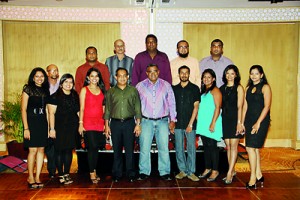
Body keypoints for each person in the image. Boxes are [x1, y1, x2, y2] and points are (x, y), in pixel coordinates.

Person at [136, 64, 176, 181]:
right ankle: (144, 171)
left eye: (155, 71)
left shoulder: (166, 85)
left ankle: (164, 172)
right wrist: (137, 123)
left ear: (158, 72)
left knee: (164, 147)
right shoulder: (140, 86)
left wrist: (173, 120)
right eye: (150, 72)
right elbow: (136, 105)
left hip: (163, 121)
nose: (153, 74)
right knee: (144, 147)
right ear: (146, 73)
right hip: (146, 121)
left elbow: (172, 103)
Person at [104, 68, 142, 183]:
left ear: (128, 77)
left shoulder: (133, 90)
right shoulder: (110, 91)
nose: (122, 78)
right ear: (115, 77)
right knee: (117, 150)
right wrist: (107, 126)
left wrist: (138, 124)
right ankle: (117, 173)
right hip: (115, 124)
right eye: (119, 76)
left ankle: (131, 173)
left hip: (129, 123)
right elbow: (107, 110)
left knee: (130, 149)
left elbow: (137, 108)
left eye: (124, 75)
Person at [199, 39, 233, 148]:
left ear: (222, 49)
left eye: (219, 46)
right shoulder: (203, 62)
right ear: (210, 48)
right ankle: (202, 139)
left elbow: (233, 78)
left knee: (220, 116)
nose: (216, 48)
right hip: (206, 95)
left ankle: (219, 139)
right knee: (205, 116)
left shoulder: (228, 62)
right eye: (214, 46)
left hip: (223, 95)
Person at [242, 65, 271, 189]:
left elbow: (267, 107)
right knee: (254, 149)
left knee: (250, 148)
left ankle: (253, 178)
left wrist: (258, 122)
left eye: (256, 73)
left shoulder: (265, 87)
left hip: (261, 121)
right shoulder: (248, 88)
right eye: (252, 73)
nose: (254, 76)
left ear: (261, 75)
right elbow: (245, 107)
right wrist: (241, 123)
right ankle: (259, 175)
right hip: (249, 121)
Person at [47, 74, 80, 185]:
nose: (68, 84)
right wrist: (52, 129)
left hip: (72, 127)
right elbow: (51, 113)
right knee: (59, 151)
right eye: (66, 82)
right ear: (61, 84)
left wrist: (81, 124)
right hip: (59, 127)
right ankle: (60, 173)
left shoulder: (75, 95)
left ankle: (66, 173)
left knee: (69, 150)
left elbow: (78, 111)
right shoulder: (54, 96)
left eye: (71, 82)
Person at [21, 67, 50, 189]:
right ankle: (30, 177)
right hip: (31, 122)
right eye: (37, 76)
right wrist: (26, 128)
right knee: (32, 150)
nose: (39, 78)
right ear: (33, 78)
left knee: (41, 151)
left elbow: (47, 110)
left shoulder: (45, 90)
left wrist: (49, 127)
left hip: (42, 122)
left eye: (42, 76)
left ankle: (38, 176)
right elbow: (23, 109)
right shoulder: (28, 89)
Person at [78, 67, 106, 184]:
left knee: (96, 148)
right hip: (88, 123)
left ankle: (94, 169)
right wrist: (80, 123)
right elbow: (82, 108)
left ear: (99, 78)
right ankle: (91, 172)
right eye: (92, 76)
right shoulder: (84, 90)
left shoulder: (102, 90)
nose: (94, 78)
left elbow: (104, 109)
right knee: (92, 147)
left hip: (99, 123)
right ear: (88, 78)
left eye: (96, 76)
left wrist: (105, 124)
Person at [172, 65, 200, 182]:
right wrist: (171, 122)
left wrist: (191, 124)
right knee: (179, 148)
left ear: (189, 74)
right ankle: (182, 170)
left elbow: (196, 107)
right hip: (178, 123)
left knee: (191, 148)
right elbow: (171, 107)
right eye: (182, 73)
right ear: (179, 74)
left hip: (190, 124)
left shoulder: (194, 88)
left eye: (186, 73)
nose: (184, 75)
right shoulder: (174, 89)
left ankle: (191, 171)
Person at [219, 65, 245, 184]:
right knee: (228, 146)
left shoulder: (239, 88)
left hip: (235, 119)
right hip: (225, 119)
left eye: (232, 73)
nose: (229, 76)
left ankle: (229, 172)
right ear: (225, 75)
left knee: (234, 145)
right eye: (227, 73)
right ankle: (232, 170)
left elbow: (240, 107)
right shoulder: (221, 88)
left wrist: (239, 123)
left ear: (236, 75)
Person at [196, 69, 222, 182]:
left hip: (212, 122)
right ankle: (207, 168)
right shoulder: (204, 90)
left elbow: (217, 108)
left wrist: (213, 123)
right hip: (203, 123)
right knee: (206, 147)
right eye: (204, 77)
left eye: (209, 77)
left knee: (213, 147)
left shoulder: (215, 91)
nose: (206, 79)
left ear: (214, 79)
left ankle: (215, 170)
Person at [45, 64, 60, 179]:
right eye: (52, 71)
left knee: (59, 145)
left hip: (60, 119)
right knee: (49, 145)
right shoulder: (44, 87)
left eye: (56, 70)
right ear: (48, 73)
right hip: (46, 119)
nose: (54, 73)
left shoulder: (62, 85)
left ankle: (61, 168)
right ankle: (51, 170)